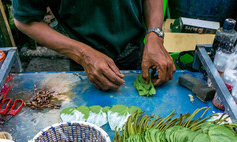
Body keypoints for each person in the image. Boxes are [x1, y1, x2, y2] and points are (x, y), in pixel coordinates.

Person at [12, 0, 176, 91]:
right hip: (84, 61)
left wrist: (154, 34)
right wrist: (83, 54)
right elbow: (25, 20)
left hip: (135, 50)